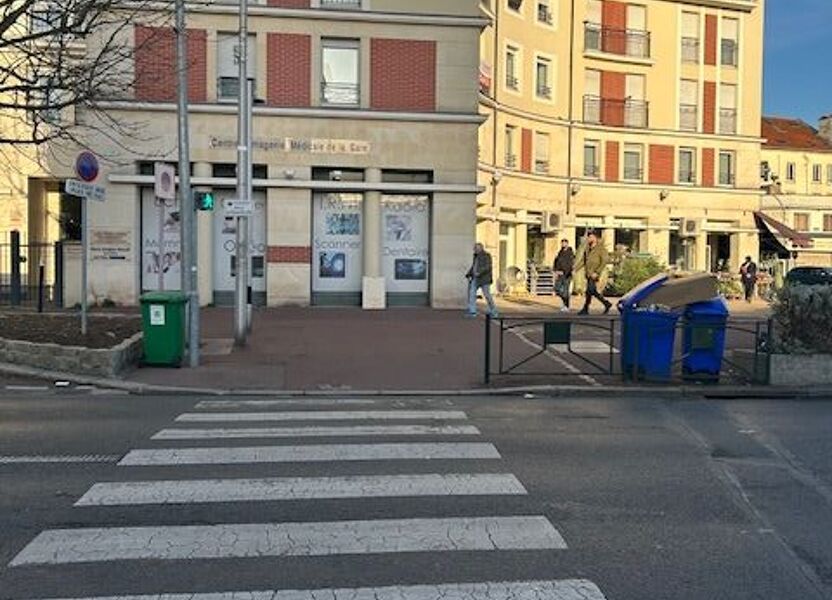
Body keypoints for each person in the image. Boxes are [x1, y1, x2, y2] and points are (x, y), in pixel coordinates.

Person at [578, 231, 612, 315]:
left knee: (590, 290)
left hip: (595, 273)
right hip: (588, 273)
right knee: (590, 291)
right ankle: (606, 304)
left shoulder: (601, 249)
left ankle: (587, 308)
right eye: (588, 237)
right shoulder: (587, 249)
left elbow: (604, 261)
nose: (589, 239)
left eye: (590, 237)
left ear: (595, 238)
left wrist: (597, 272)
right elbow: (583, 261)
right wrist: (575, 268)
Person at [465, 243, 499, 318]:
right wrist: (469, 273)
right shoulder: (475, 256)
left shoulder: (486, 256)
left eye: (476, 248)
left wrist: (479, 272)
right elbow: (474, 266)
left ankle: (494, 310)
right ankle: (472, 311)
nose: (475, 250)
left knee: (487, 295)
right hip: (475, 278)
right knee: (472, 294)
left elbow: (488, 266)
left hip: (484, 279)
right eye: (474, 248)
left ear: (481, 248)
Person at [553, 238, 575, 312]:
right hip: (559, 274)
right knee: (557, 288)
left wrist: (567, 272)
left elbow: (570, 264)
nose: (563, 244)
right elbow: (556, 262)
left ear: (567, 244)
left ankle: (566, 306)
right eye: (562, 243)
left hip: (567, 274)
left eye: (565, 243)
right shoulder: (560, 252)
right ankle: (565, 300)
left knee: (565, 290)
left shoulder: (570, 253)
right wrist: (556, 271)